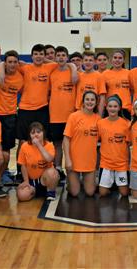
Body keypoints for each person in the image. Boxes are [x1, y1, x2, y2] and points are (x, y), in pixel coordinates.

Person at [15, 44, 58, 176]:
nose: (38, 57)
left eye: (41, 54)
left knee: (42, 140)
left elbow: (61, 63)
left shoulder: (49, 67)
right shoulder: (25, 67)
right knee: (23, 141)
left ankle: (44, 169)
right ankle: (19, 171)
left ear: (44, 56)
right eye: (36, 54)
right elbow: (6, 63)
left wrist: (44, 60)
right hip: (25, 109)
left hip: (42, 109)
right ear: (31, 55)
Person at [0, 50, 24, 181]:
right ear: (5, 63)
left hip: (10, 116)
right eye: (9, 62)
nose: (12, 64)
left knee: (7, 148)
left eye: (15, 62)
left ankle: (3, 174)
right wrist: (0, 67)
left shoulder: (20, 77)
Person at [63, 91, 101, 197]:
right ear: (83, 102)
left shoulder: (98, 119)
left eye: (92, 100)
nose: (90, 102)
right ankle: (70, 181)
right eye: (87, 99)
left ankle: (84, 181)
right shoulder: (74, 116)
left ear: (96, 102)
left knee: (90, 192)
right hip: (74, 161)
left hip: (89, 161)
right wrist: (67, 160)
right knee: (74, 193)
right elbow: (66, 139)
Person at [49, 46, 79, 179]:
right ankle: (58, 169)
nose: (61, 58)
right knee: (57, 144)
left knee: (72, 144)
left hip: (70, 115)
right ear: (55, 57)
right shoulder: (51, 71)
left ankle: (74, 168)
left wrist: (72, 67)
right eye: (58, 55)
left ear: (67, 57)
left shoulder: (74, 72)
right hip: (55, 115)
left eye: (63, 55)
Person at [97, 95, 131, 197]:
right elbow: (97, 141)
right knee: (102, 193)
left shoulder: (126, 124)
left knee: (124, 193)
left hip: (121, 164)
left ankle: (117, 184)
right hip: (106, 164)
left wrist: (128, 162)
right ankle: (110, 185)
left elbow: (128, 144)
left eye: (115, 106)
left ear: (119, 108)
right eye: (110, 106)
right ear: (106, 107)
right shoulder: (100, 123)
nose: (112, 109)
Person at [17, 122, 59, 201]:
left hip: (44, 179)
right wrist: (26, 181)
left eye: (38, 132)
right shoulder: (24, 146)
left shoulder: (49, 145)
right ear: (29, 135)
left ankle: (50, 191)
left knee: (53, 173)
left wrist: (39, 145)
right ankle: (34, 191)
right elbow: (23, 165)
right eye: (33, 133)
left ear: (43, 133)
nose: (36, 135)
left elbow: (49, 159)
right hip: (31, 180)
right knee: (21, 196)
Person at [102, 49, 132, 120]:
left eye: (120, 58)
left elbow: (132, 90)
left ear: (124, 60)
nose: (117, 60)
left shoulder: (129, 73)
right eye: (115, 58)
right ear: (111, 59)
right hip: (110, 108)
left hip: (125, 108)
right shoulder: (105, 74)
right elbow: (102, 94)